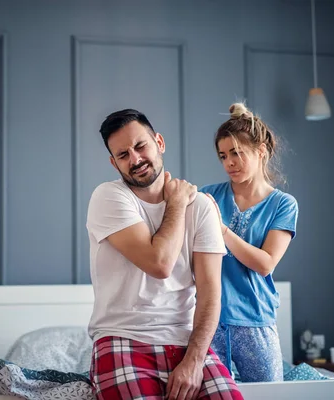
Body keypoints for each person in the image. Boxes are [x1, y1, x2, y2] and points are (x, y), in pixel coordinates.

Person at [86, 109, 244, 400]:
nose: (134, 159)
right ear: (113, 163)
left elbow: (210, 295)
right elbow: (160, 263)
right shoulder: (108, 197)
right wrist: (177, 203)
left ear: (159, 142)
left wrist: (194, 361)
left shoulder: (202, 207)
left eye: (140, 146)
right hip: (122, 338)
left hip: (186, 343)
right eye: (122, 155)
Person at [200, 103, 299, 383]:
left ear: (261, 152)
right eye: (223, 156)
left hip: (256, 319)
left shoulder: (283, 204)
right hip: (210, 321)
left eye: (237, 153)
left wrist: (220, 229)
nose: (229, 162)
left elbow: (266, 263)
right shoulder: (207, 196)